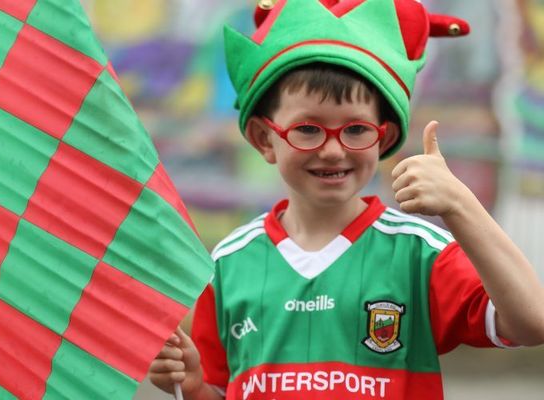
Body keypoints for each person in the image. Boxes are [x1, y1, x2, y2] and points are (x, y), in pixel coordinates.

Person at [148, 0, 544, 399]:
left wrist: (460, 203)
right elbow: (222, 390)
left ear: (385, 138)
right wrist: (196, 387)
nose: (334, 150)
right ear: (264, 138)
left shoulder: (418, 254)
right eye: (307, 129)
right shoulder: (228, 265)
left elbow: (532, 322)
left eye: (356, 129)